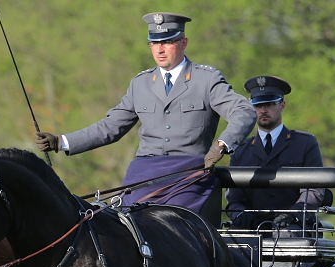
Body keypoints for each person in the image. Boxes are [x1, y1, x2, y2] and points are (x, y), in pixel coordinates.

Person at [35, 12, 256, 214]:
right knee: (117, 224)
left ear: (183, 43)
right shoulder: (140, 83)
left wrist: (222, 145)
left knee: (171, 227)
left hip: (189, 172)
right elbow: (111, 127)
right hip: (144, 171)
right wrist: (61, 141)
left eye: (167, 42)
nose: (159, 49)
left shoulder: (206, 79)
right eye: (154, 43)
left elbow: (244, 111)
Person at [225, 75, 326, 230]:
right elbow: (234, 198)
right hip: (252, 227)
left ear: (282, 105)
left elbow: (314, 191)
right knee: (231, 244)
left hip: (294, 225)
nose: (263, 110)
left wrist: (292, 214)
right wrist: (240, 214)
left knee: (287, 239)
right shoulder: (241, 150)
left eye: (269, 104)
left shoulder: (305, 143)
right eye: (258, 106)